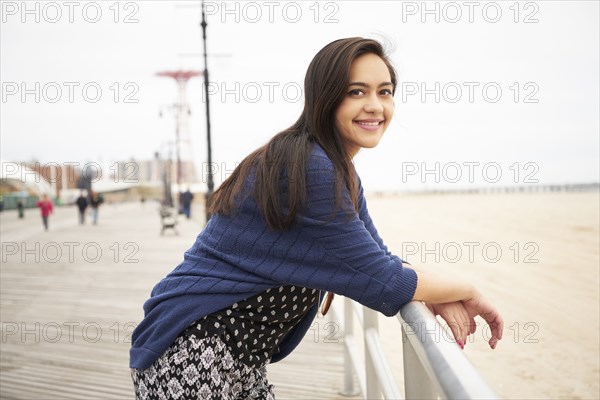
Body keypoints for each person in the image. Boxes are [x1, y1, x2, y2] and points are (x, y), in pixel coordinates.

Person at [129, 37, 503, 399]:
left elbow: (378, 261)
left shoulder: (333, 168)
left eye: (385, 91)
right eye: (357, 92)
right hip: (192, 349)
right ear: (325, 97)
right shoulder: (312, 168)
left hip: (237, 356)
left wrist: (435, 295)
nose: (375, 105)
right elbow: (384, 281)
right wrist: (468, 288)